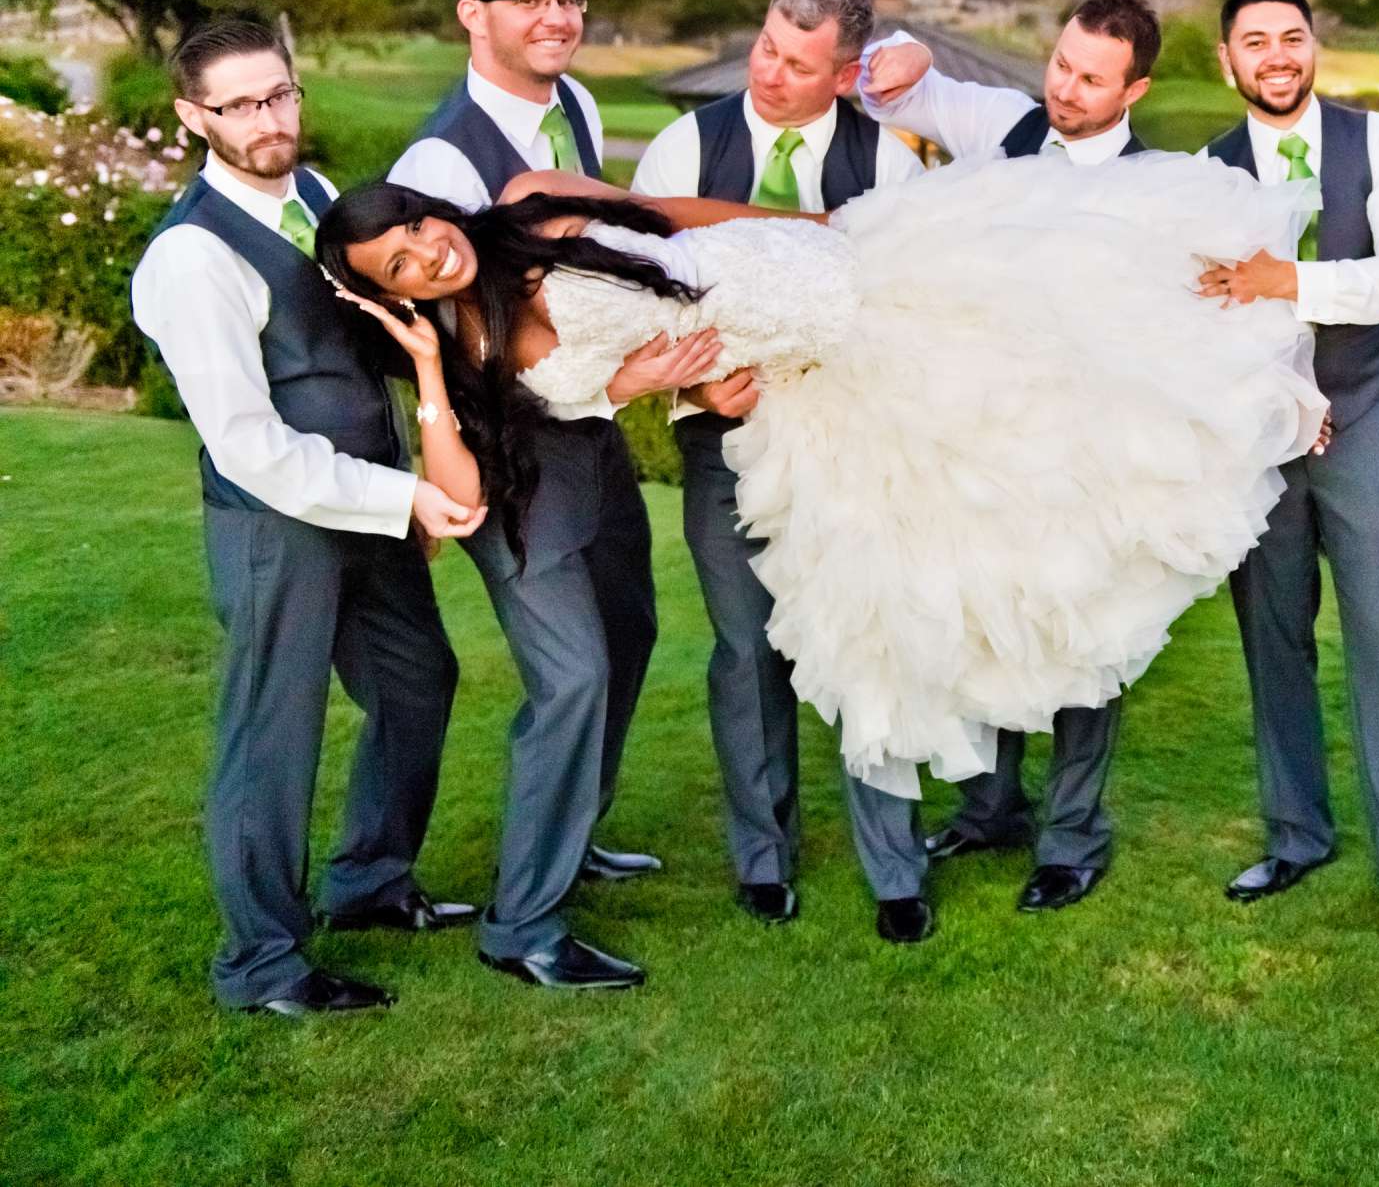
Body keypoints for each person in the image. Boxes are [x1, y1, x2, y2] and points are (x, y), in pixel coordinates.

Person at [319, 127, 1326, 943]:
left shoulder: (537, 198)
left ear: (429, 203)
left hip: (857, 271)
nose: (426, 252)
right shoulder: (485, 341)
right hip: (824, 384)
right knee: (873, 615)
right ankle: (878, 870)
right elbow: (495, 464)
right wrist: (441, 366)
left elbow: (671, 218)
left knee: (1069, 336)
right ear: (392, 293)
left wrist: (806, 220)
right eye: (399, 266)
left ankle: (1255, 366)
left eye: (415, 225)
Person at [386, 0, 722, 991]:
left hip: (592, 431)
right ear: (471, 14)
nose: (557, 17)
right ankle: (523, 924)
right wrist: (622, 379)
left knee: (629, 631)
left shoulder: (571, 108)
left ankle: (574, 838)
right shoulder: (440, 162)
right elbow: (457, 341)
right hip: (507, 457)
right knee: (571, 674)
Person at [130, 19, 483, 1016]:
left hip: (368, 503)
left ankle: (370, 882)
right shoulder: (189, 259)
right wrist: (406, 496)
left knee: (420, 680)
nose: (268, 118)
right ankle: (264, 963)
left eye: (279, 94)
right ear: (193, 116)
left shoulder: (322, 199)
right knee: (272, 734)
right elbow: (247, 443)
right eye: (240, 105)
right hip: (276, 525)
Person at [854, 0, 1168, 916]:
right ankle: (991, 807)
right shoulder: (1007, 122)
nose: (1066, 89)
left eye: (1091, 79)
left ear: (1135, 88)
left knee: (1085, 636)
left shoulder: (1161, 187)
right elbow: (903, 91)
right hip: (985, 438)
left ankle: (1072, 839)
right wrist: (906, 46)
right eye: (1062, 65)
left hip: (1092, 448)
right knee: (990, 619)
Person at [630, 0, 928, 935]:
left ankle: (896, 868)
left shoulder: (893, 164)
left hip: (854, 444)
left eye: (798, 64)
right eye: (765, 46)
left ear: (845, 76)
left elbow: (915, 312)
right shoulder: (685, 144)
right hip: (724, 438)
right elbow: (627, 287)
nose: (768, 71)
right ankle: (764, 856)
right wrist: (688, 384)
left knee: (869, 639)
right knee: (746, 646)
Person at [1195, 0, 1379, 955]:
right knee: (1273, 640)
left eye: (1291, 36)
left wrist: (1288, 280)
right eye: (1255, 41)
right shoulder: (1206, 171)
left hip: (1365, 419)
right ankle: (1297, 833)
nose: (1276, 54)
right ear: (1229, 60)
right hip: (1258, 441)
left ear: (1315, 47)